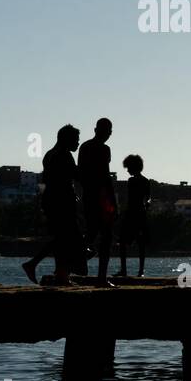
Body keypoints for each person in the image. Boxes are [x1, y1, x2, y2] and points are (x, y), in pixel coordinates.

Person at [22, 125, 82, 286]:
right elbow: (76, 176)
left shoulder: (49, 154)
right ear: (67, 139)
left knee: (61, 239)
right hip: (62, 202)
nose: (77, 143)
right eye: (76, 140)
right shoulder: (64, 155)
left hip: (51, 200)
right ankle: (36, 264)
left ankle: (61, 275)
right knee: (65, 238)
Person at [77, 117, 118, 286]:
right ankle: (101, 277)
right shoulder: (104, 149)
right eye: (107, 131)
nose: (107, 135)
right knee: (106, 236)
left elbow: (80, 173)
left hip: (88, 195)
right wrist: (113, 202)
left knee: (92, 233)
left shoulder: (84, 147)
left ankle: (73, 263)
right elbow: (105, 177)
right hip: (100, 196)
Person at [117, 154, 150, 278]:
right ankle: (132, 271)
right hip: (135, 213)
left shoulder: (140, 181)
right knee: (127, 243)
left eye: (128, 168)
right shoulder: (138, 181)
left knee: (132, 243)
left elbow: (147, 197)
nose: (127, 170)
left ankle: (136, 271)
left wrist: (146, 203)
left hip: (134, 213)